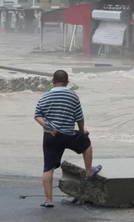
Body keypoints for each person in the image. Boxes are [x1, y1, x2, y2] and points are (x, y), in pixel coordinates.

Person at [34, 70, 102, 208]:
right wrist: (82, 131)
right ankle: (89, 170)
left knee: (48, 168)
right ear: (67, 82)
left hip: (51, 136)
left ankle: (48, 201)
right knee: (86, 144)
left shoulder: (45, 97)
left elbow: (37, 115)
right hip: (69, 135)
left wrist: (47, 127)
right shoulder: (73, 95)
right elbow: (79, 117)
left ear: (53, 81)